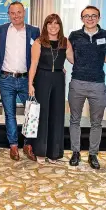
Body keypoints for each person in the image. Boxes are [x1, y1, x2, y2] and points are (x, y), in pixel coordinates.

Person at [68, 5, 106, 169]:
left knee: (96, 122)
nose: (90, 18)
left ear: (98, 18)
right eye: (86, 16)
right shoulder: (75, 35)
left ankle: (93, 154)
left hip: (98, 84)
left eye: (94, 16)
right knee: (75, 120)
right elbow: (67, 53)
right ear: (82, 19)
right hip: (77, 82)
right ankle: (75, 152)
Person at [0, 1, 40, 161]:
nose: (16, 16)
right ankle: (13, 146)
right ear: (8, 15)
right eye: (12, 13)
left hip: (26, 79)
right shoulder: (0, 30)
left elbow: (40, 53)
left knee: (32, 112)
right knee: (10, 114)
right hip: (6, 78)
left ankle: (28, 145)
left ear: (24, 13)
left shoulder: (34, 31)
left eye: (19, 12)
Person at [28, 14, 73, 164]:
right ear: (45, 26)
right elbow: (33, 64)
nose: (53, 27)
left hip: (59, 79)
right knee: (42, 115)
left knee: (57, 115)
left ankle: (54, 153)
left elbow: (73, 60)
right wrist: (30, 84)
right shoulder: (39, 42)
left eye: (56, 24)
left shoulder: (65, 42)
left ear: (60, 26)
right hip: (42, 79)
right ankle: (40, 151)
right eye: (50, 24)